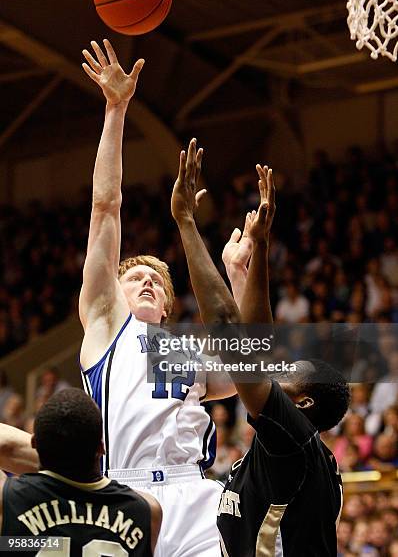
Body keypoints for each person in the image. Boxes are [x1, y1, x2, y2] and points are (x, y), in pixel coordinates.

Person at [79, 39, 237, 556]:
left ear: (168, 306)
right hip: (123, 493)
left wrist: (236, 274)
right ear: (113, 296)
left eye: (157, 281)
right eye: (136, 277)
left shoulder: (189, 353)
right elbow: (106, 207)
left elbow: (249, 370)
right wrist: (116, 109)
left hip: (195, 496)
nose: (147, 281)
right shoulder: (107, 327)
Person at [217, 165, 350, 556]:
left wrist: (260, 250)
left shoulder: (290, 444)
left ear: (302, 403)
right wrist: (238, 272)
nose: (278, 371)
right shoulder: (295, 446)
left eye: (289, 373)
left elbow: (253, 352)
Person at [0, 388, 161, 556]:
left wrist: (55, 450)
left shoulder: (8, 501)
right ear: (102, 447)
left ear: (34, 443)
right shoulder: (147, 512)